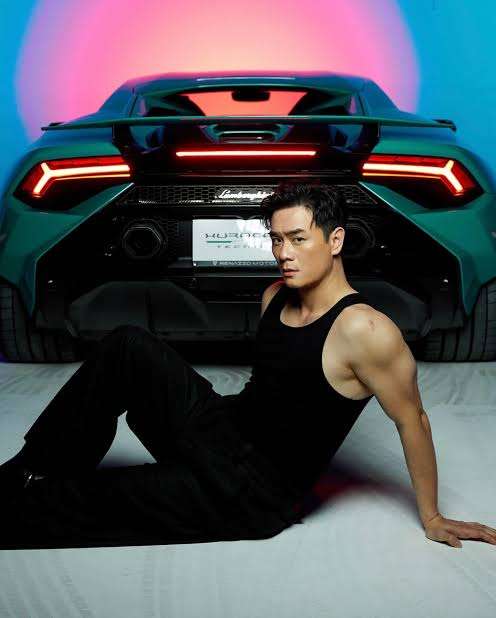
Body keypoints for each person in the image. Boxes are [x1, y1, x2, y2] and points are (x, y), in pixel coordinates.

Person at [1, 182, 495, 550]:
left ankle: (33, 493)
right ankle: (30, 467)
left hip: (249, 492)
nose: (283, 254)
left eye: (298, 239)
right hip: (220, 430)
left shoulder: (365, 330)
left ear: (336, 240)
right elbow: (270, 389)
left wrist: (432, 516)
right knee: (128, 345)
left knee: (73, 504)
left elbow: (413, 420)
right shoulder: (275, 296)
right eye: (276, 240)